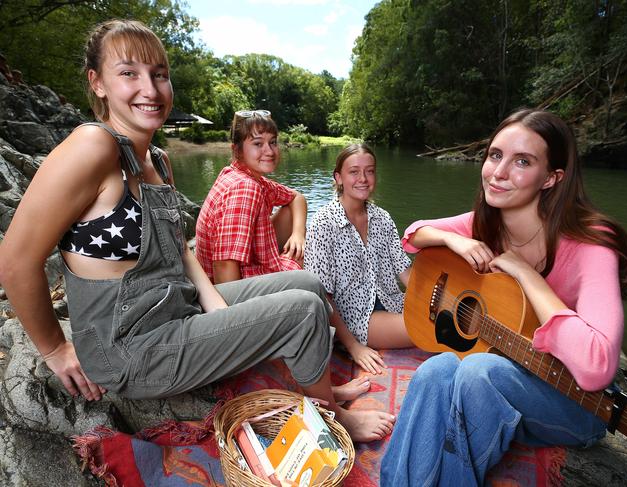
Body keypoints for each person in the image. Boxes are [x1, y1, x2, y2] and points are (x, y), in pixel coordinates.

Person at [0, 19, 395, 442]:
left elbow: (179, 250)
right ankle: (334, 420)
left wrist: (222, 313)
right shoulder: (93, 147)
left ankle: (319, 388)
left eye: (160, 75)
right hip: (134, 349)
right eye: (129, 73)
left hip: (177, 310)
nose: (150, 89)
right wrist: (55, 349)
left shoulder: (158, 159)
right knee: (302, 311)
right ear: (97, 83)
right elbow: (16, 259)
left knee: (308, 283)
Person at [380, 108, 627, 485]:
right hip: (510, 381)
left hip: (578, 402)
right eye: (495, 155)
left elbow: (596, 366)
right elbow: (414, 233)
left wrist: (526, 273)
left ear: (552, 178)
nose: (499, 172)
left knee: (478, 370)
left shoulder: (592, 243)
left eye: (522, 161)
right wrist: (454, 238)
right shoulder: (487, 223)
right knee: (436, 371)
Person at [304, 144, 413, 375]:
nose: (363, 178)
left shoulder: (382, 218)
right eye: (354, 171)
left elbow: (405, 272)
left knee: (447, 317)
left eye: (370, 171)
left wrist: (438, 301)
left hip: (392, 301)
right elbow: (321, 296)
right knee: (431, 329)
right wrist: (354, 347)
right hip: (355, 319)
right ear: (338, 178)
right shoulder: (323, 224)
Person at [195, 111, 306, 284]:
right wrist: (239, 311)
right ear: (237, 150)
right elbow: (224, 266)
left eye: (273, 142)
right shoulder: (245, 187)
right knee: (312, 262)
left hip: (244, 269)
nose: (269, 151)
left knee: (299, 241)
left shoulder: (245, 176)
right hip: (226, 289)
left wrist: (298, 235)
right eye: (258, 143)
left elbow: (296, 197)